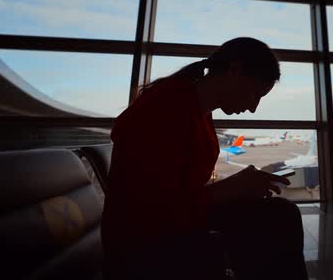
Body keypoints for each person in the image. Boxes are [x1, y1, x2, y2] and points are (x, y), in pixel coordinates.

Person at [101, 37, 308, 280]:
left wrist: (237, 189)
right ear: (234, 71)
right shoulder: (165, 109)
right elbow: (156, 213)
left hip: (166, 228)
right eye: (255, 93)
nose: (253, 108)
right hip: (143, 245)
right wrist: (234, 187)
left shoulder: (193, 108)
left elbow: (177, 193)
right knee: (279, 220)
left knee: (279, 217)